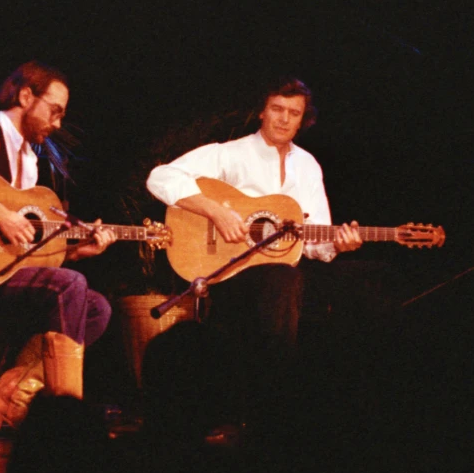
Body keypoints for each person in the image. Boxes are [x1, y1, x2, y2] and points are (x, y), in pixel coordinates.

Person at [0, 60, 117, 429]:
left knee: (97, 308)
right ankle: (66, 418)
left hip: (9, 276)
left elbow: (26, 248)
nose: (58, 123)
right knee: (72, 285)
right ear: (25, 96)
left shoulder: (30, 161)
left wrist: (76, 252)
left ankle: (10, 390)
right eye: (54, 111)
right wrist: (2, 215)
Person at [146, 76, 363, 356]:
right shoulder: (233, 154)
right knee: (283, 279)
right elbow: (160, 177)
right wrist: (216, 211)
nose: (284, 119)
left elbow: (313, 238)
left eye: (294, 113)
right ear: (262, 110)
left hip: (285, 277)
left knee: (362, 280)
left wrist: (337, 243)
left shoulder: (308, 166)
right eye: (277, 109)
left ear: (302, 120)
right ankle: (274, 377)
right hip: (231, 272)